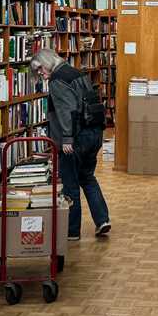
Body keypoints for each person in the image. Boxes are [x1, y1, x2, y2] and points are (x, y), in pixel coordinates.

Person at [32, 48, 110, 240]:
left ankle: (72, 231)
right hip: (94, 132)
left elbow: (67, 110)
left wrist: (67, 138)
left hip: (76, 138)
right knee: (88, 178)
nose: (41, 73)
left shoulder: (57, 80)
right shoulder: (76, 72)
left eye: (40, 68)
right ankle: (102, 220)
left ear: (48, 62)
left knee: (70, 184)